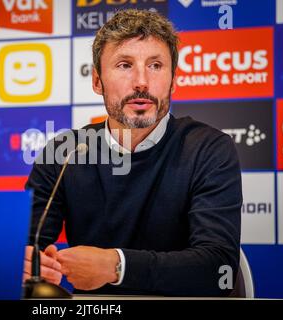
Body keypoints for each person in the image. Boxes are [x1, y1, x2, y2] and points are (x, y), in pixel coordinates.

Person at [23, 9, 242, 297]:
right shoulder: (64, 153)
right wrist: (24, 263)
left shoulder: (209, 148)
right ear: (97, 82)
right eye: (125, 65)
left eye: (155, 65)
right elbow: (26, 245)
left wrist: (118, 266)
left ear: (173, 80)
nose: (141, 81)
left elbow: (220, 270)